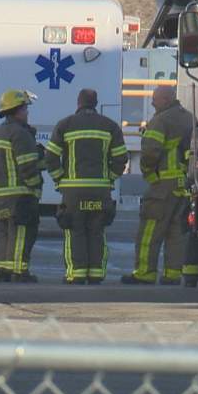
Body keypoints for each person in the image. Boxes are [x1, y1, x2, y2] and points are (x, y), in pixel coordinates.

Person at [45, 89, 129, 285]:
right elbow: (121, 158)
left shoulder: (65, 125)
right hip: (100, 190)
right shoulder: (110, 126)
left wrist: (60, 180)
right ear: (96, 103)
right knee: (97, 230)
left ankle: (76, 274)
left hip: (73, 191)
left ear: (78, 102)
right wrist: (109, 179)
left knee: (75, 231)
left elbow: (50, 157)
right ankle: (96, 274)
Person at [122, 85, 194, 285]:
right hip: (183, 185)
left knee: (149, 231)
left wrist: (150, 175)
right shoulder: (188, 118)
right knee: (175, 232)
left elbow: (150, 151)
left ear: (166, 99)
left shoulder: (160, 120)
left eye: (155, 99)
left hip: (162, 185)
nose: (152, 102)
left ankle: (145, 273)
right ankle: (172, 275)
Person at [0, 89, 44, 283]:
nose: (27, 112)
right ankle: (19, 271)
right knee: (21, 233)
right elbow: (28, 166)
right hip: (21, 195)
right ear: (17, 110)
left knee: (3, 233)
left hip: (0, 195)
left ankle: (2, 269)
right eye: (25, 108)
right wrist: (35, 187)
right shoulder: (20, 134)